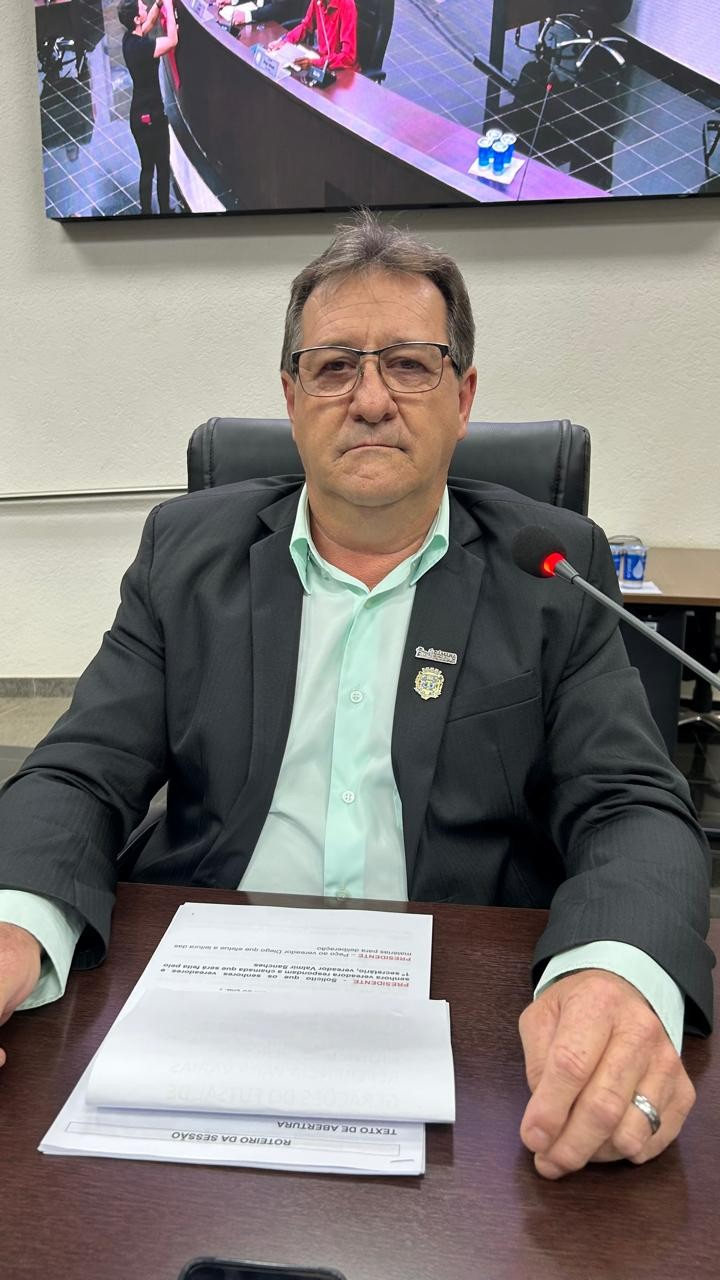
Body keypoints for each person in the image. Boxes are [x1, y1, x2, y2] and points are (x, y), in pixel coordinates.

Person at [0, 213, 712, 1181]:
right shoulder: (187, 554)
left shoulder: (548, 570)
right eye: (334, 367)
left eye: (410, 365)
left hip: (466, 1017)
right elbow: (82, 772)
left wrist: (614, 966)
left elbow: (630, 805)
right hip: (199, 994)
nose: (371, 399)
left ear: (462, 398)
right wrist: (15, 917)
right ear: (291, 397)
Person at [118, 0, 178, 216]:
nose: (145, 6)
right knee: (162, 167)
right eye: (142, 6)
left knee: (146, 167)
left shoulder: (129, 39)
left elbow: (150, 22)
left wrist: (159, 3)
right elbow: (172, 41)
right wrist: (169, 7)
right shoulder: (144, 47)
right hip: (152, 115)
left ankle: (145, 212)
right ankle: (165, 211)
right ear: (136, 18)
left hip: (137, 114)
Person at [268, 0, 359, 72]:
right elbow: (305, 26)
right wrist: (284, 42)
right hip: (322, 62)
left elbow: (348, 57)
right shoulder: (317, 1)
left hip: (342, 70)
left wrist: (314, 63)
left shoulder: (347, 4)